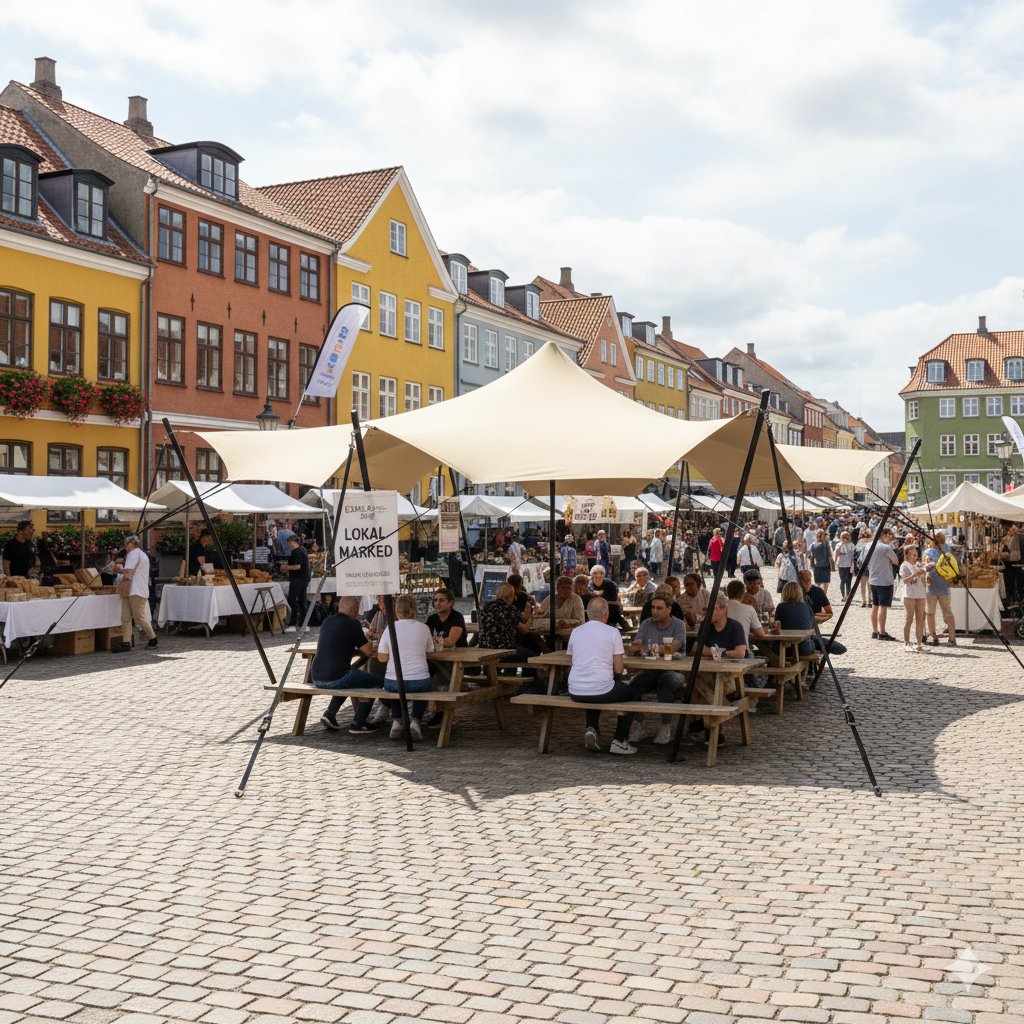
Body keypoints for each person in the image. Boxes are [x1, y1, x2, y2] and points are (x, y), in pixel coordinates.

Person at [566, 596, 637, 755]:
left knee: (594, 688)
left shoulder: (576, 631)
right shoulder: (612, 632)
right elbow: (619, 669)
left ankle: (591, 729)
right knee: (631, 694)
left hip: (575, 691)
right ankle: (620, 740)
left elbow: (575, 661)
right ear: (606, 615)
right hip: (601, 689)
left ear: (587, 614)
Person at [627, 593, 689, 745]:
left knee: (665, 685)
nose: (654, 611)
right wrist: (635, 648)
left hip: (674, 670)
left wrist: (647, 648)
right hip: (650, 671)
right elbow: (634, 648)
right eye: (653, 607)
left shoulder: (678, 624)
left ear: (669, 609)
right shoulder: (646, 624)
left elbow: (674, 647)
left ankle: (665, 726)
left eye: (659, 608)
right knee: (632, 687)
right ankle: (640, 726)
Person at [312, 595, 380, 732]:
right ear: (355, 609)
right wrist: (368, 639)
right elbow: (367, 651)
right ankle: (359, 722)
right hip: (335, 677)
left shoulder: (327, 621)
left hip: (316, 677)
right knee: (376, 682)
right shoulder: (352, 623)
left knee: (348, 677)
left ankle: (330, 713)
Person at [376, 593, 434, 741]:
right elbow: (430, 652)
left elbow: (382, 658)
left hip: (393, 681)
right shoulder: (424, 628)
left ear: (396, 611)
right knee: (424, 685)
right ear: (415, 610)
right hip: (419, 680)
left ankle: (397, 721)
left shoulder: (390, 628)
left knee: (396, 684)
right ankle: (416, 721)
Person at [477, 582, 536, 678]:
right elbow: (524, 630)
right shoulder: (510, 609)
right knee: (534, 657)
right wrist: (529, 619)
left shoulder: (486, 606)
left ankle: (504, 677)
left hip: (485, 649)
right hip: (505, 652)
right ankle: (529, 684)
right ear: (512, 596)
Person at [112, 534, 157, 653]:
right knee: (125, 618)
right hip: (131, 590)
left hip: (136, 590)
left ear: (133, 544)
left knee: (139, 618)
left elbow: (128, 572)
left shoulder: (134, 553)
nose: (125, 546)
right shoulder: (139, 554)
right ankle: (126, 642)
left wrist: (118, 569)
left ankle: (153, 639)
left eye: (126, 543)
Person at [797, 569, 847, 655]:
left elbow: (829, 612)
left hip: (812, 626)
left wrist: (815, 615)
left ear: (809, 581)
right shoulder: (796, 592)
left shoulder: (818, 591)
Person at [924, 532, 957, 647]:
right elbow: (925, 565)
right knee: (932, 613)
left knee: (943, 613)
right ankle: (936, 636)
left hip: (941, 586)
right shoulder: (930, 551)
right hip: (933, 586)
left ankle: (949, 637)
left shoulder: (945, 550)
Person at [868, 527, 899, 641]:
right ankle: (882, 632)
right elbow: (895, 561)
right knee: (883, 607)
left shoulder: (869, 546)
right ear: (884, 535)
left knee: (875, 606)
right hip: (884, 580)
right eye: (889, 534)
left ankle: (874, 631)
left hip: (873, 579)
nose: (891, 536)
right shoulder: (886, 548)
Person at [701, 591, 747, 658]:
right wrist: (719, 652)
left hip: (731, 666)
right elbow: (696, 648)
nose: (708, 613)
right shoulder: (705, 625)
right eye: (707, 609)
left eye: (712, 609)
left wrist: (717, 652)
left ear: (724, 610)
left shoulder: (736, 626)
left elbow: (740, 653)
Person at [899, 544, 928, 652]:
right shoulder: (905, 565)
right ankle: (906, 643)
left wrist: (924, 573)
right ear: (908, 554)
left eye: (916, 551)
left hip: (920, 594)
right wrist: (915, 574)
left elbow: (923, 579)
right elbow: (905, 580)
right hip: (909, 594)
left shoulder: (918, 565)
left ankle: (919, 644)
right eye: (913, 551)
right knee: (909, 618)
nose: (915, 553)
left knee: (920, 619)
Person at [725, 580, 767, 646]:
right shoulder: (749, 609)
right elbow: (761, 634)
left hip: (720, 650)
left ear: (727, 593)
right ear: (742, 594)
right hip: (742, 651)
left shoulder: (720, 609)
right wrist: (748, 628)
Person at [283, 535, 310, 631]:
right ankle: (304, 624)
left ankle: (293, 624)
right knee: (302, 601)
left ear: (296, 542)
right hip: (304, 578)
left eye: (291, 542)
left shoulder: (297, 551)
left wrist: (286, 567)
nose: (290, 545)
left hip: (298, 578)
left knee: (292, 599)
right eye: (288, 543)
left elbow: (297, 566)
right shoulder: (302, 550)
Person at [808, 529, 833, 596]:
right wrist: (832, 566)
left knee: (818, 583)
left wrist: (812, 566)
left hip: (817, 566)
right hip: (826, 565)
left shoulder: (812, 545)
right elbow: (829, 555)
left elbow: (811, 556)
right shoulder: (826, 544)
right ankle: (824, 596)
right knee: (825, 583)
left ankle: (818, 597)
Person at [834, 531, 855, 600]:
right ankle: (843, 595)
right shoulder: (838, 545)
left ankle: (848, 595)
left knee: (848, 581)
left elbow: (853, 556)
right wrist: (841, 544)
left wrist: (852, 565)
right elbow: (836, 553)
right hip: (841, 564)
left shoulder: (852, 545)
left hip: (848, 564)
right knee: (842, 580)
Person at [855, 530, 872, 606]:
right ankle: (868, 600)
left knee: (864, 584)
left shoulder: (860, 543)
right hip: (869, 565)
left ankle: (864, 601)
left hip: (863, 565)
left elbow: (856, 553)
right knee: (869, 584)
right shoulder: (872, 543)